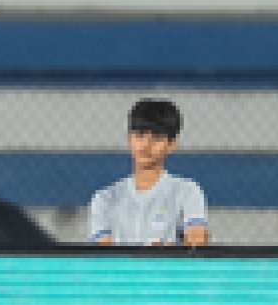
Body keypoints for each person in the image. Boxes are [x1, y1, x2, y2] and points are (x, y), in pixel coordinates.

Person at [88, 98, 209, 247]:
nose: (146, 145)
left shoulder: (187, 191)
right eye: (140, 135)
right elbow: (102, 255)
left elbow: (197, 240)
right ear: (129, 138)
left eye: (157, 138)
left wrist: (174, 255)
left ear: (172, 144)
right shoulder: (104, 199)